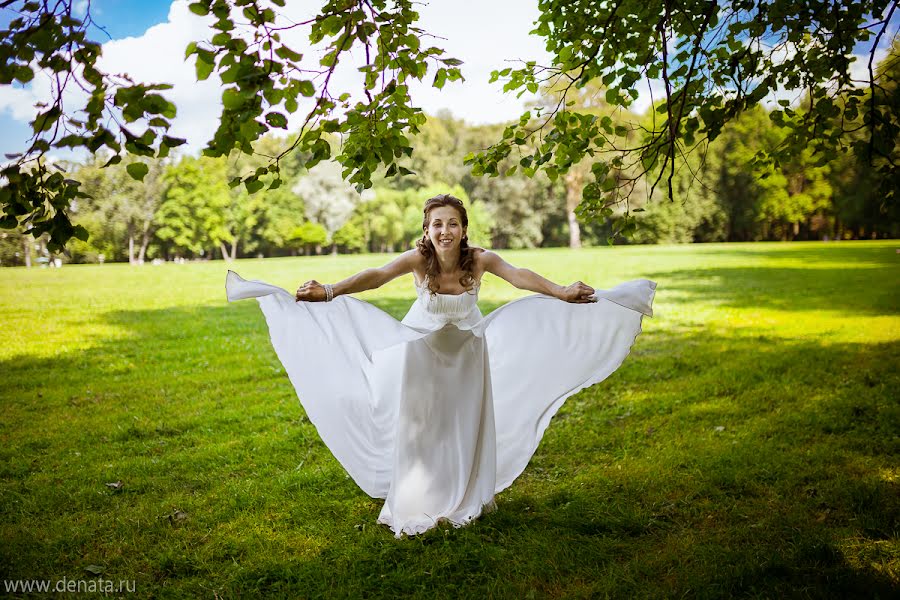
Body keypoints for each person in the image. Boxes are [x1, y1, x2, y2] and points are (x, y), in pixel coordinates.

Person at [225, 194, 656, 538]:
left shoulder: (480, 259)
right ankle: (418, 495)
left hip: (467, 350)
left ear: (464, 229)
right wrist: (331, 290)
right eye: (436, 224)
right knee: (425, 424)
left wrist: (561, 291)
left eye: (452, 223)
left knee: (462, 422)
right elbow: (376, 275)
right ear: (426, 231)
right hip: (423, 348)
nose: (444, 230)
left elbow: (519, 274)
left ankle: (464, 492)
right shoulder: (418, 261)